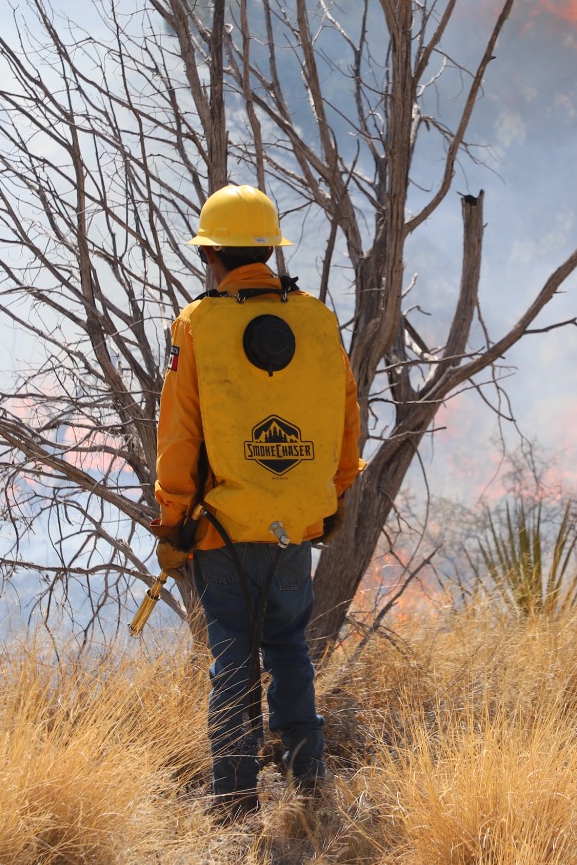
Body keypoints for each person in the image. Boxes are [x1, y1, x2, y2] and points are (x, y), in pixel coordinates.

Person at [151, 183, 364, 822]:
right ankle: (310, 787)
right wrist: (330, 496)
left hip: (220, 526)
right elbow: (347, 416)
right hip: (294, 520)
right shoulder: (317, 319)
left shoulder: (197, 323)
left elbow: (179, 435)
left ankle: (235, 803)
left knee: (233, 660)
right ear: (271, 250)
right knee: (291, 650)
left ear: (210, 254)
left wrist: (172, 525)